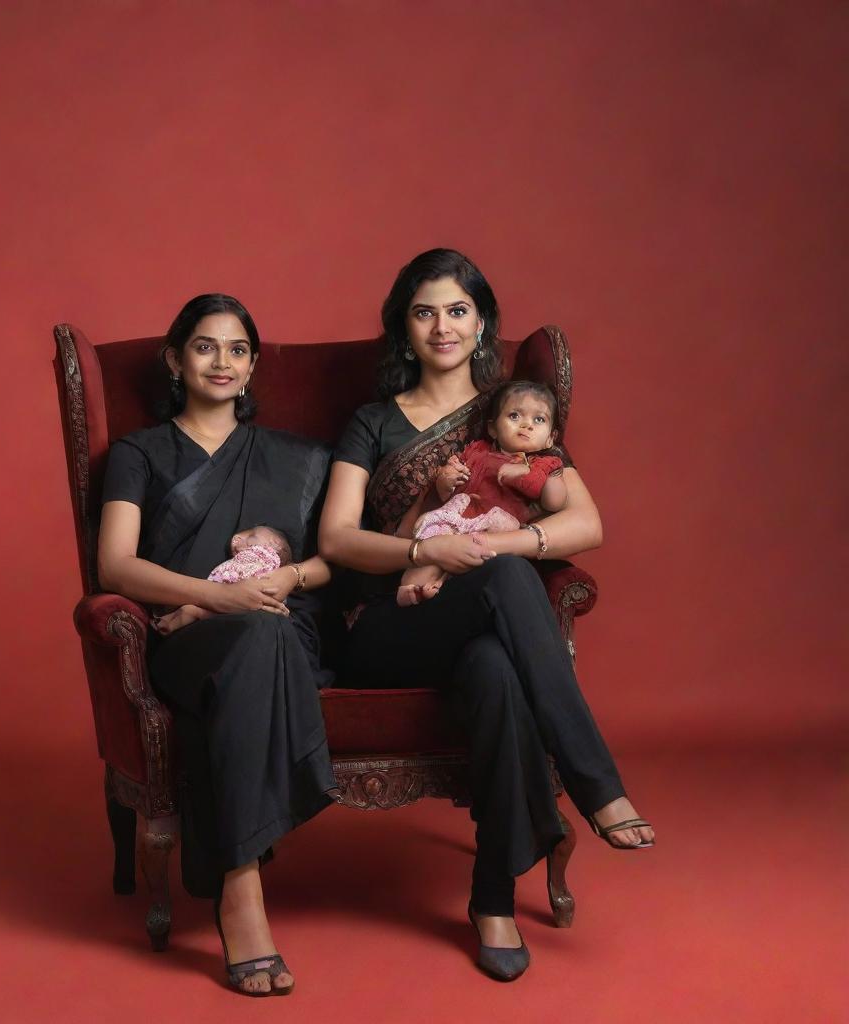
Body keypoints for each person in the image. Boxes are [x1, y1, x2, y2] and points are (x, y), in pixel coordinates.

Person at [318, 248, 655, 983]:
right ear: (403, 328)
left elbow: (584, 525)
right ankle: (595, 782)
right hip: (386, 627)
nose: (443, 325)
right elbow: (337, 539)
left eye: (458, 309)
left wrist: (495, 542)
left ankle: (492, 899)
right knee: (504, 577)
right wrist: (436, 550)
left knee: (497, 671)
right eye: (424, 310)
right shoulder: (372, 422)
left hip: (482, 618)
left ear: (481, 324)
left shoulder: (512, 418)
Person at [98, 294, 337, 996]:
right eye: (204, 346)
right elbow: (116, 565)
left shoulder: (297, 458)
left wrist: (276, 582)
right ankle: (241, 891)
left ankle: (238, 883)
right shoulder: (139, 453)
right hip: (179, 640)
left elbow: (328, 562)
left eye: (237, 350)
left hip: (277, 624)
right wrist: (211, 599)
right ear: (175, 359)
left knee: (267, 634)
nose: (222, 362)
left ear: (254, 364)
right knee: (254, 634)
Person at [398, 379, 566, 605]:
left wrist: (523, 473)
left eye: (539, 419)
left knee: (474, 570)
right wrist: (446, 480)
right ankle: (411, 590)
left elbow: (555, 502)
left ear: (550, 438)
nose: (527, 425)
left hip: (495, 534)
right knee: (432, 550)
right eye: (515, 416)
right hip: (459, 520)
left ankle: (441, 587)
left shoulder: (544, 464)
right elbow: (446, 491)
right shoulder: (476, 451)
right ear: (493, 428)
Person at [153, 524, 295, 635]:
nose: (236, 539)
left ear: (275, 543)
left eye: (250, 536)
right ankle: (194, 613)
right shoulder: (249, 562)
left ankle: (192, 613)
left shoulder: (267, 556)